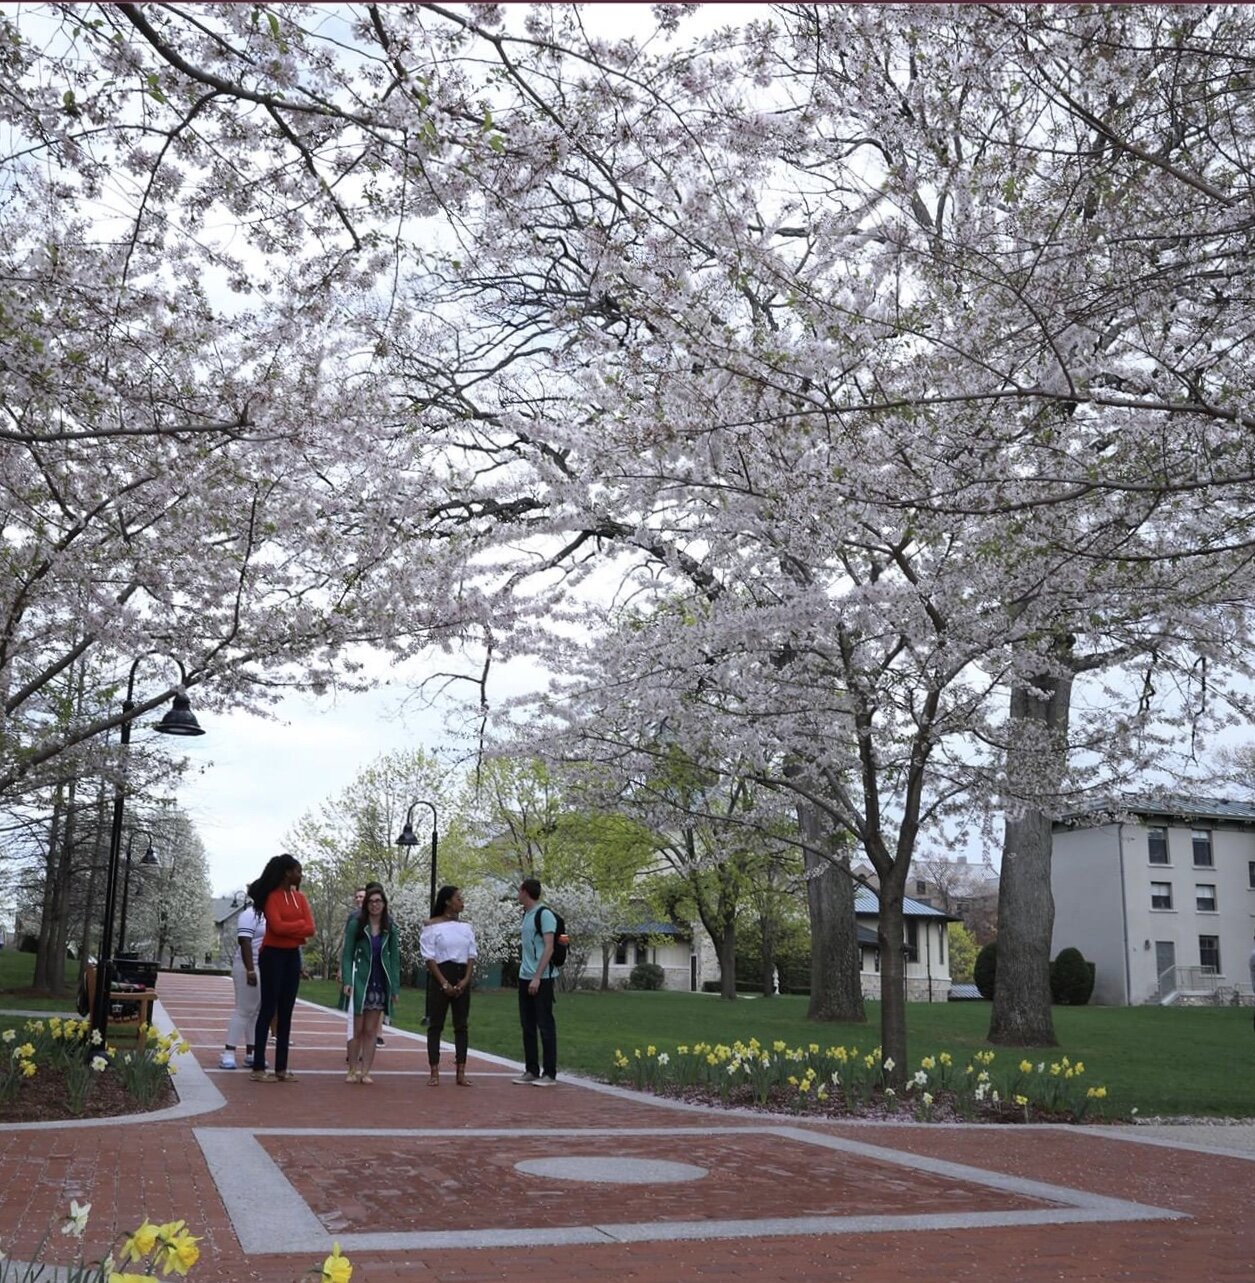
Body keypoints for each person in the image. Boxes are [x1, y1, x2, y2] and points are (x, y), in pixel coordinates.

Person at [248, 854, 315, 1083]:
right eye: (298, 870)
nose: (301, 875)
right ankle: (258, 1067)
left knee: (287, 1010)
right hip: (272, 956)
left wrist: (293, 929)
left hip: (292, 956)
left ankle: (281, 1068)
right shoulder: (272, 898)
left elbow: (311, 928)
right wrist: (298, 926)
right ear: (287, 872)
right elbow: (275, 927)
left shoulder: (300, 898)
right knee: (269, 1008)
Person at [341, 881, 400, 1084]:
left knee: (371, 1030)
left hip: (379, 982)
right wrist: (347, 980)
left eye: (379, 901)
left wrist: (395, 988)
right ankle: (352, 1069)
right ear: (366, 904)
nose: (375, 905)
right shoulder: (357, 925)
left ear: (384, 904)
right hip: (360, 981)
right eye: (371, 901)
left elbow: (394, 959)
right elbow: (347, 954)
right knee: (357, 1028)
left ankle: (366, 1071)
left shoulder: (390, 927)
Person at [420, 886, 478, 1087]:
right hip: (440, 975)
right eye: (458, 898)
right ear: (447, 901)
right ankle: (434, 1071)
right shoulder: (431, 926)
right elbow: (429, 957)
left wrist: (466, 980)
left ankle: (461, 1071)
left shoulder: (466, 927)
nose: (461, 902)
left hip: (462, 974)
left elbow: (471, 955)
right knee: (436, 1024)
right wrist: (444, 982)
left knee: (461, 1025)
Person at [514, 877, 558, 1087]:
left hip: (542, 978)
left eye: (519, 890)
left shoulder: (545, 914)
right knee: (527, 1025)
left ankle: (549, 1073)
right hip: (525, 977)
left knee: (545, 1025)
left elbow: (549, 947)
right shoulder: (527, 915)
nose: (517, 894)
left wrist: (537, 977)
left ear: (525, 891)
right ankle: (531, 1069)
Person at [219, 897, 265, 1070]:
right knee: (244, 1009)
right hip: (248, 964)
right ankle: (228, 1053)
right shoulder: (249, 914)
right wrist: (250, 970)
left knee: (256, 1012)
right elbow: (244, 941)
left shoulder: (271, 914)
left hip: (265, 965)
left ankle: (251, 1053)